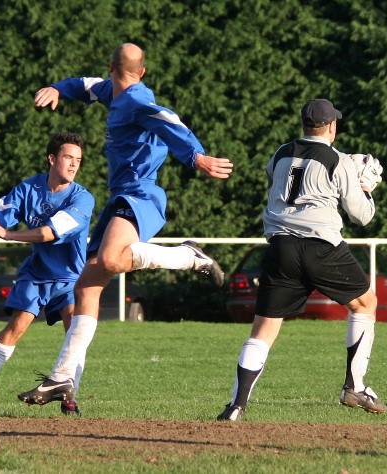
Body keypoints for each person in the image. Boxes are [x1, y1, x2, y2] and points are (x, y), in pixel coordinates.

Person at [17, 43, 233, 406]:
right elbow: (85, 85)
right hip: (122, 197)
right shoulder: (110, 90)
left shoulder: (136, 99)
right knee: (86, 286)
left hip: (141, 195)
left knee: (114, 259)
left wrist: (195, 156)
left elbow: (167, 119)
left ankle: (187, 256)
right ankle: (62, 379)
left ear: (112, 66)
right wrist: (59, 87)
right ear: (139, 70)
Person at [216, 98, 387, 422]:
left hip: (280, 248)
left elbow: (274, 181)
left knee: (263, 330)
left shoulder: (281, 153)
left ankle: (236, 406)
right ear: (332, 126)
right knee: (365, 304)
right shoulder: (338, 161)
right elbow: (361, 216)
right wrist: (364, 186)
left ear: (304, 124)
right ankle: (354, 386)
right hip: (321, 246)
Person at [0, 132, 94, 416]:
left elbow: (48, 233)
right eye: (68, 157)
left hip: (70, 278)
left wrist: (8, 235)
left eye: (78, 160)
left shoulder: (82, 199)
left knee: (74, 332)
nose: (73, 165)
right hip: (36, 274)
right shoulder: (28, 189)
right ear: (52, 159)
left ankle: (69, 399)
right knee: (16, 327)